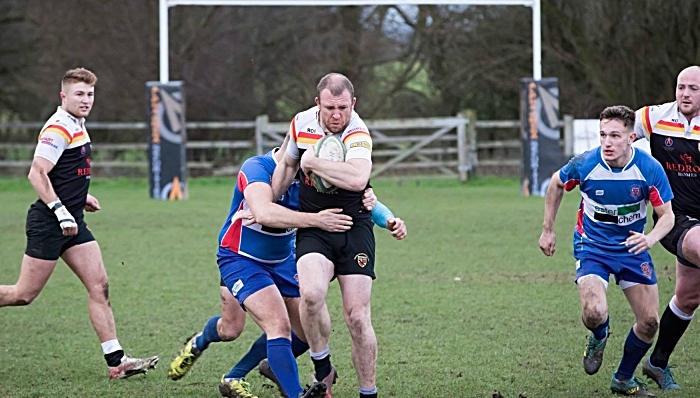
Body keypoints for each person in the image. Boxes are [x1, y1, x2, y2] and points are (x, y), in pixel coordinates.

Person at [167, 133, 406, 398]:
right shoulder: (257, 168)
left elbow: (360, 196)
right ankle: (199, 343)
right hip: (241, 258)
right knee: (233, 328)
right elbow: (265, 213)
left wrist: (384, 214)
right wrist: (316, 220)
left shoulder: (310, 178)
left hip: (282, 261)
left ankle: (236, 375)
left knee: (304, 332)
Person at [0, 68, 159, 379]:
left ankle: (117, 362)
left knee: (99, 286)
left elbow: (65, 170)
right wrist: (60, 209)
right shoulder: (58, 127)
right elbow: (37, 173)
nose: (86, 100)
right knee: (23, 294)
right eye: (79, 94)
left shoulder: (77, 125)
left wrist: (81, 197)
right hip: (50, 221)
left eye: (90, 94)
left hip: (72, 221)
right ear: (64, 96)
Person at [539, 105, 675, 396]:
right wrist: (548, 229)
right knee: (593, 313)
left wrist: (650, 239)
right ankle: (599, 335)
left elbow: (668, 216)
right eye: (602, 135)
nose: (607, 142)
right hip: (593, 247)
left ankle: (623, 379)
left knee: (650, 322)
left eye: (615, 135)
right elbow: (556, 183)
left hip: (632, 250)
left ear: (631, 137)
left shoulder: (649, 169)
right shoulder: (586, 164)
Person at [271, 73, 378, 398]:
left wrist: (313, 161)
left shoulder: (357, 132)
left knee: (357, 318)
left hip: (353, 226)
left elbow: (359, 178)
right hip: (314, 226)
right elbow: (288, 167)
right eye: (330, 107)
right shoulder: (301, 122)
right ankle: (322, 366)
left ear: (353, 104)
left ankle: (367, 393)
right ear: (318, 103)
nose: (337, 115)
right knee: (312, 294)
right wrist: (265, 205)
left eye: (343, 107)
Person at [631, 65, 700, 390]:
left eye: (693, 89)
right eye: (681, 87)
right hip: (673, 219)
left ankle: (657, 363)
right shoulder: (656, 117)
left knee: (687, 297)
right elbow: (619, 129)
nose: (685, 94)